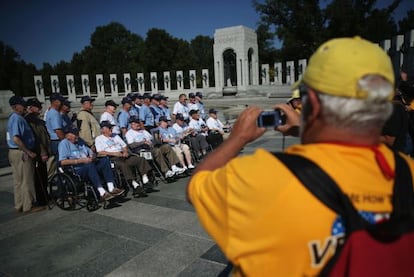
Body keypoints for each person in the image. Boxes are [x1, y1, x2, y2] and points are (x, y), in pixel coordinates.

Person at [186, 37, 414, 276]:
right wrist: (306, 129)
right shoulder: (407, 172)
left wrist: (237, 139)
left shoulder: (262, 176)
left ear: (312, 101)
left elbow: (196, 186)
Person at [58, 128, 122, 201]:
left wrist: (92, 156)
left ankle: (111, 188)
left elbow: (91, 152)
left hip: (90, 164)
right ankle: (102, 192)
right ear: (68, 136)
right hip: (78, 170)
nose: (77, 136)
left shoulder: (80, 141)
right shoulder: (64, 144)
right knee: (89, 165)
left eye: (77, 134)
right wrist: (80, 161)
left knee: (105, 161)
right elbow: (62, 162)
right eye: (75, 135)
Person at [7, 96, 45, 213]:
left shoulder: (14, 118)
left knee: (18, 180)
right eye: (22, 105)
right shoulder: (17, 119)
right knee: (27, 180)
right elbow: (16, 138)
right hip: (21, 152)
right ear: (15, 106)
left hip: (14, 151)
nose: (25, 107)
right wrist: (28, 151)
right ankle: (29, 205)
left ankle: (20, 204)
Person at [95, 121, 150, 197]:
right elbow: (100, 152)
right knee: (124, 165)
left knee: (140, 159)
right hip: (112, 157)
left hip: (123, 155)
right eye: (109, 128)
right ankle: (134, 185)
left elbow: (124, 145)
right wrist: (114, 153)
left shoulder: (116, 136)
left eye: (111, 127)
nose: (111, 129)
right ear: (103, 129)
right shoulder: (99, 139)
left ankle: (145, 180)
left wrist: (125, 151)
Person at [24, 98, 51, 207]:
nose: (40, 108)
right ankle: (41, 198)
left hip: (44, 150)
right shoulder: (29, 121)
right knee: (38, 176)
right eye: (37, 106)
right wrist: (43, 152)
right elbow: (36, 139)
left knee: (44, 175)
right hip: (38, 152)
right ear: (30, 108)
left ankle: (45, 195)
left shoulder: (37, 120)